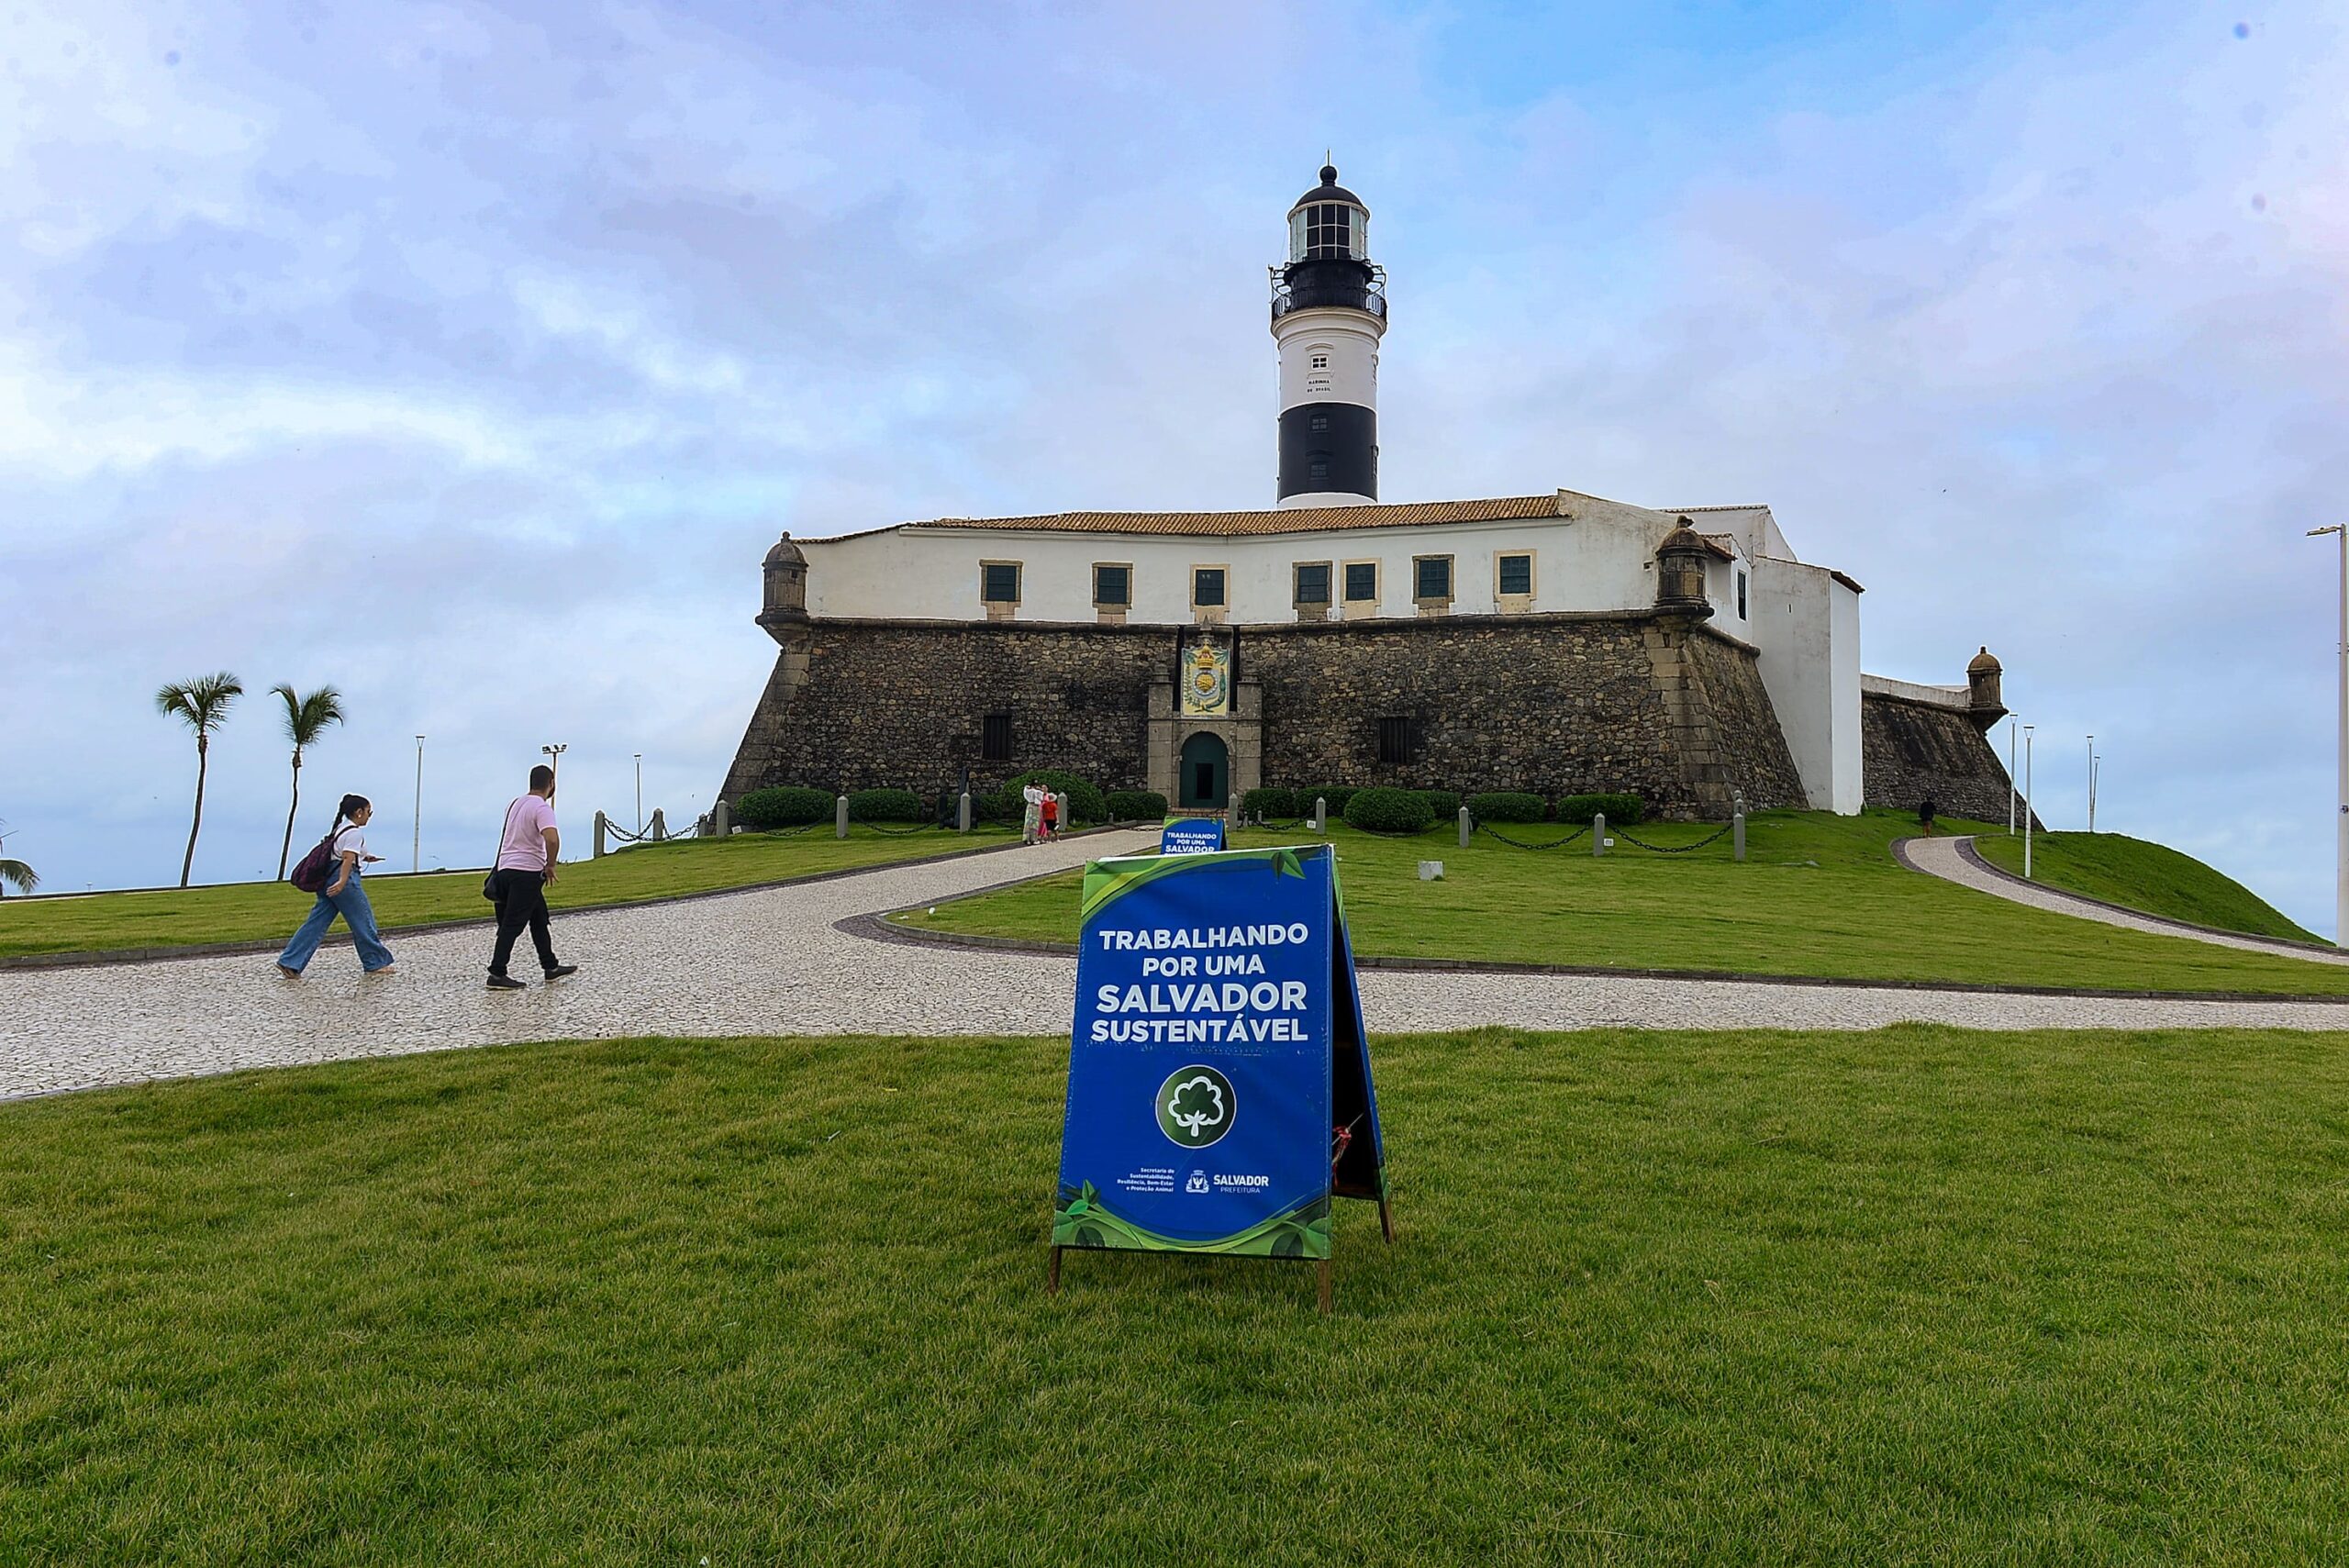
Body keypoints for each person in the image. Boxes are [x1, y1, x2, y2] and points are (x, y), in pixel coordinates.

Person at [276, 794, 395, 976]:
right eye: (368, 812)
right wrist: (342, 882)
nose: (369, 816)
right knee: (363, 920)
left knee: (316, 922)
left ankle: (290, 961)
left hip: (328, 878)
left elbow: (341, 853)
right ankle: (375, 963)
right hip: (344, 879)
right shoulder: (354, 832)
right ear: (359, 812)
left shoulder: (341, 829)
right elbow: (347, 858)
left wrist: (365, 857)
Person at [486, 764, 579, 990]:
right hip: (526, 873)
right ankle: (497, 972)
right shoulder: (542, 807)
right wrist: (551, 864)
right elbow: (552, 839)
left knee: (539, 918)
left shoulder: (514, 804)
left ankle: (550, 966)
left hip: (505, 870)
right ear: (551, 783)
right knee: (512, 924)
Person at [1020, 781, 1046, 845]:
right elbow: (1026, 791)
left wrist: (1039, 790)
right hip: (1031, 805)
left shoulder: (1038, 791)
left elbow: (1041, 797)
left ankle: (1034, 839)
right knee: (1028, 822)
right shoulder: (1029, 791)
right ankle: (1027, 838)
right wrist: (1029, 787)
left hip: (1036, 806)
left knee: (1035, 823)